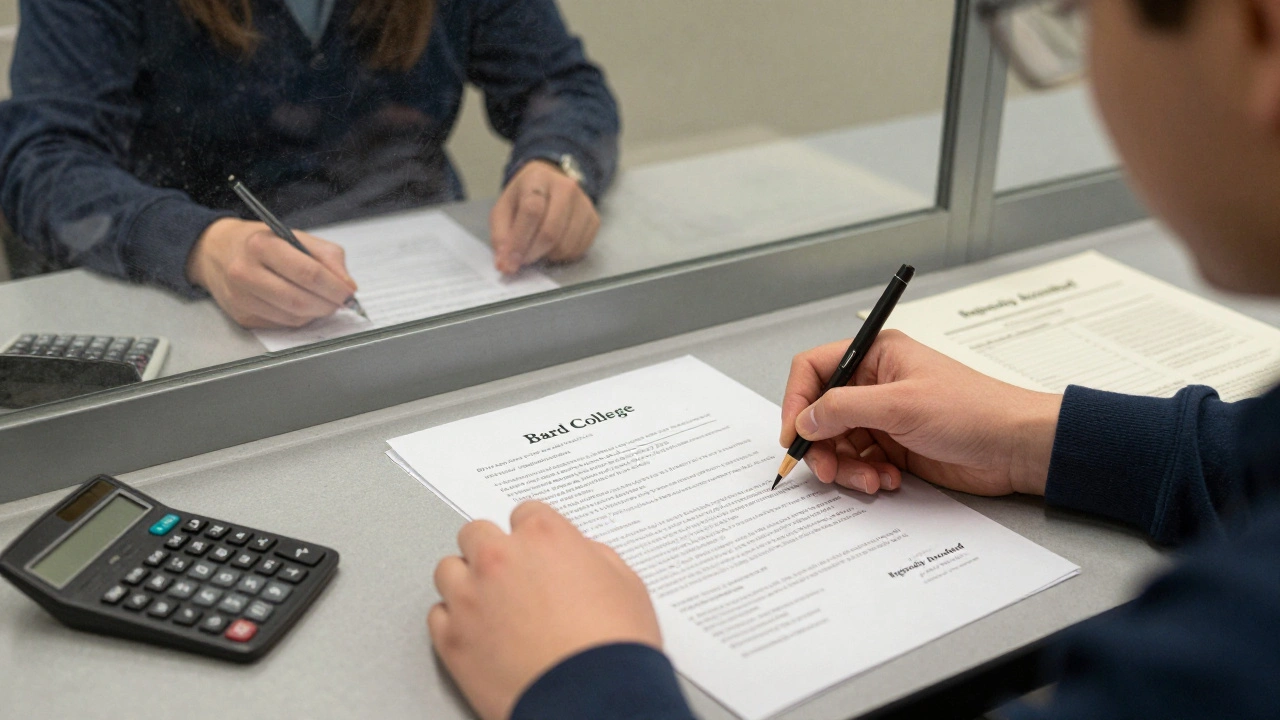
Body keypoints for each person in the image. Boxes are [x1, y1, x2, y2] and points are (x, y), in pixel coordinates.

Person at [426, 1, 1280, 719]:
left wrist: (583, 679)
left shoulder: (1231, 646)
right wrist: (1035, 437)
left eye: (1078, 14)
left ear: (1258, 30)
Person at [0, 0, 617, 328]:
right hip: (197, 305)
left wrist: (557, 166)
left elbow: (562, 87)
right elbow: (44, 160)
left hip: (437, 286)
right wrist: (200, 245)